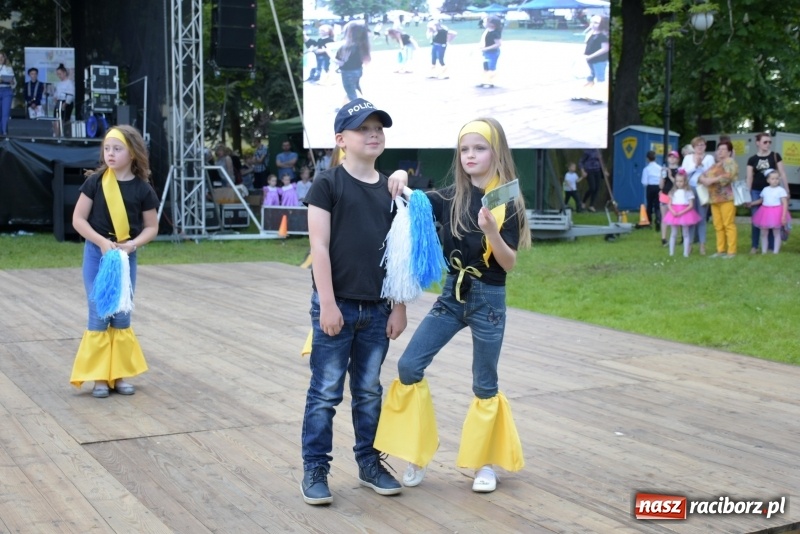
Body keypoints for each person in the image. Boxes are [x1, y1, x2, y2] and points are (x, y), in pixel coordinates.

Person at [374, 117, 531, 494]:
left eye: (479, 148)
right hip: (451, 296)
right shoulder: (450, 197)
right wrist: (399, 174)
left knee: (485, 382)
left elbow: (508, 263)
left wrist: (491, 231)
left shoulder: (506, 202)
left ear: (497, 152)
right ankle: (415, 453)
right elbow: (412, 199)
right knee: (409, 366)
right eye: (464, 149)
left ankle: (485, 464)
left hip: (489, 300)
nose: (470, 155)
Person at [300, 98, 408, 506]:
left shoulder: (394, 189)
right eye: (363, 128)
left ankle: (369, 462)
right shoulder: (328, 184)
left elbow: (400, 253)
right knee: (325, 391)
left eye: (378, 128)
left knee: (368, 391)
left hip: (378, 309)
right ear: (341, 139)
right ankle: (315, 468)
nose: (373, 134)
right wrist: (327, 303)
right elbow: (319, 247)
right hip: (337, 306)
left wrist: (399, 305)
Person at [69, 125, 159, 398]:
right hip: (97, 253)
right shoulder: (95, 182)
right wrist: (101, 242)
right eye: (107, 148)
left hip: (124, 256)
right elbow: (78, 220)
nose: (110, 153)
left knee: (121, 314)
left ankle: (119, 376)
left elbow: (151, 227)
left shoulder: (143, 189)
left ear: (132, 153)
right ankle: (99, 377)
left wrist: (132, 245)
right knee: (99, 312)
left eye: (117, 149)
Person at [746, 132, 789, 254]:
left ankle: (770, 247)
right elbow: (749, 177)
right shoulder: (752, 159)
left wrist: (787, 190)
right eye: (765, 142)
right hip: (756, 191)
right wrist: (747, 195)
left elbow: (782, 173)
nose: (768, 144)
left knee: (772, 219)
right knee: (756, 219)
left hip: (773, 192)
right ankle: (755, 246)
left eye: (769, 142)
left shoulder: (775, 156)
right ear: (758, 143)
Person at [699, 140, 738, 258]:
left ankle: (731, 251)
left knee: (728, 224)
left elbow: (728, 176)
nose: (720, 151)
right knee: (718, 225)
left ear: (729, 152)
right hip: (714, 199)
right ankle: (720, 250)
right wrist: (704, 180)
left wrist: (711, 180)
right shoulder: (715, 165)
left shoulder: (730, 162)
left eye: (723, 149)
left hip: (726, 198)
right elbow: (702, 175)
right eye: (719, 149)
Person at [681, 136, 715, 256]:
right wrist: (695, 166)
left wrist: (702, 166)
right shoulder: (688, 158)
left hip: (703, 188)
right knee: (690, 217)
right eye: (697, 145)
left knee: (701, 217)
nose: (700, 147)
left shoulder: (709, 158)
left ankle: (702, 245)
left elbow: (712, 172)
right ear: (693, 147)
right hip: (690, 188)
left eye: (702, 145)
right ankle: (689, 244)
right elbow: (683, 172)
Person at [662, 168, 701, 257]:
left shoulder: (688, 192)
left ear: (685, 181)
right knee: (673, 233)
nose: (679, 183)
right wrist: (672, 211)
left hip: (685, 213)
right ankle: (671, 253)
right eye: (677, 181)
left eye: (681, 181)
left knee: (685, 233)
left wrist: (681, 212)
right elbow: (669, 204)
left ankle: (685, 253)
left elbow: (691, 205)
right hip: (674, 212)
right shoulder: (672, 192)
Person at [751, 169, 790, 254]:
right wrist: (751, 203)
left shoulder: (781, 190)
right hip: (765, 211)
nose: (775, 180)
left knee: (776, 232)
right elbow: (761, 200)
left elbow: (785, 203)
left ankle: (775, 251)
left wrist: (783, 216)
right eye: (772, 179)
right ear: (768, 180)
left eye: (777, 178)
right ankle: (764, 251)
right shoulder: (765, 189)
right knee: (764, 232)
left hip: (776, 212)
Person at [335, 21, 371, 105]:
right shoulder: (362, 45)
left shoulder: (347, 47)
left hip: (348, 73)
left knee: (351, 92)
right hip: (358, 71)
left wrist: (328, 52)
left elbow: (340, 62)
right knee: (352, 89)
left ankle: (357, 108)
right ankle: (344, 105)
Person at [578, 15, 609, 104]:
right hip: (590, 60)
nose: (593, 24)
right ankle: (585, 94)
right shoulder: (591, 34)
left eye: (596, 23)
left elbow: (605, 49)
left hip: (599, 60)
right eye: (591, 22)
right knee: (590, 77)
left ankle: (599, 98)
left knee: (600, 79)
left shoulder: (603, 35)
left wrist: (591, 56)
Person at [659, 150, 680, 246]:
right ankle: (664, 238)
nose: (672, 159)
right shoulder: (665, 170)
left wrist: (670, 175)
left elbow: (678, 184)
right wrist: (661, 176)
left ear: (677, 159)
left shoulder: (679, 170)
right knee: (664, 218)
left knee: (674, 217)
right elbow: (661, 186)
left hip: (675, 196)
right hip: (665, 195)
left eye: (674, 157)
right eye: (670, 157)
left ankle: (673, 237)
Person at [477, 16, 502, 88]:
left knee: (491, 68)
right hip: (485, 52)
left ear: (492, 24)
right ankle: (484, 81)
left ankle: (490, 82)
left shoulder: (495, 33)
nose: (485, 23)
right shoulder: (487, 30)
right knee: (485, 67)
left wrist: (486, 48)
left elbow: (498, 44)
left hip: (492, 53)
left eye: (487, 22)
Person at [641, 150, 662, 231]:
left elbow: (644, 182)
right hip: (658, 187)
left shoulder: (646, 169)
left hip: (650, 187)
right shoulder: (660, 168)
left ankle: (649, 221)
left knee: (649, 204)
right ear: (655, 158)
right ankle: (658, 219)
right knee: (657, 205)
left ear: (647, 159)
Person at [0, 52, 16, 135]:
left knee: (5, 113)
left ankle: (4, 132)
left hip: (6, 90)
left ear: (5, 58)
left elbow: (14, 82)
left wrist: (12, 81)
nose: (0, 59)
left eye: (2, 57)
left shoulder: (9, 68)